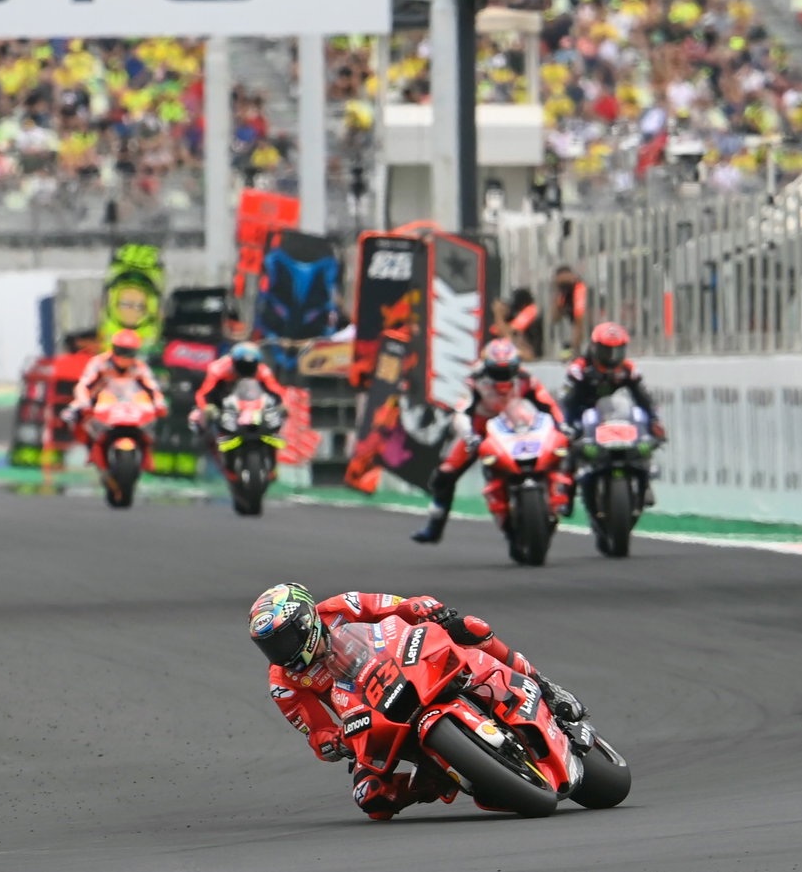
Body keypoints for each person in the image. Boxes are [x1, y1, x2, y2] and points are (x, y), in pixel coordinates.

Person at [248, 583, 587, 821]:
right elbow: (316, 735)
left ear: (306, 622)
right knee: (371, 799)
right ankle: (431, 778)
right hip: (372, 715)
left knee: (471, 626)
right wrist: (335, 742)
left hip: (406, 664)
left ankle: (546, 686)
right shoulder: (283, 683)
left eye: (283, 639)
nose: (280, 653)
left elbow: (394, 605)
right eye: (270, 646)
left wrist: (418, 606)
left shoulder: (340, 607)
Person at [411, 339, 567, 544]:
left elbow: (547, 404)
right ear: (486, 367)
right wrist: (469, 436)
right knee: (445, 474)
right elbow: (462, 413)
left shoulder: (525, 377)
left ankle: (562, 499)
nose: (503, 378)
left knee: (561, 449)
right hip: (483, 431)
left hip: (518, 427)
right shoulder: (475, 381)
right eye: (497, 371)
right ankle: (435, 524)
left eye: (507, 370)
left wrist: (561, 425)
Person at [559, 322, 667, 511]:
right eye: (606, 351)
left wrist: (654, 420)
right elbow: (568, 400)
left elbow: (644, 398)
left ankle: (646, 480)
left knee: (642, 424)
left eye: (617, 351)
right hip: (582, 412)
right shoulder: (579, 369)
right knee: (569, 443)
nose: (611, 357)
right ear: (594, 348)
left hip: (611, 414)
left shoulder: (628, 369)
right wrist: (567, 425)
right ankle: (566, 491)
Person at [65, 329, 167, 424]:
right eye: (120, 351)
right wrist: (85, 404)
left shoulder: (139, 366)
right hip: (103, 403)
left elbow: (153, 388)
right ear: (113, 348)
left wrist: (160, 404)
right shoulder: (99, 362)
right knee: (71, 414)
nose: (123, 357)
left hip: (132, 407)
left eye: (128, 353)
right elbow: (83, 386)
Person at [189, 341, 289, 417]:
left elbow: (278, 391)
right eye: (242, 365)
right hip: (221, 406)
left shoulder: (263, 371)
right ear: (233, 362)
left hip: (252, 407)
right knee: (197, 416)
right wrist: (206, 407)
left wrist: (283, 405)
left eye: (250, 365)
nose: (246, 369)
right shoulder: (218, 369)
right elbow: (202, 394)